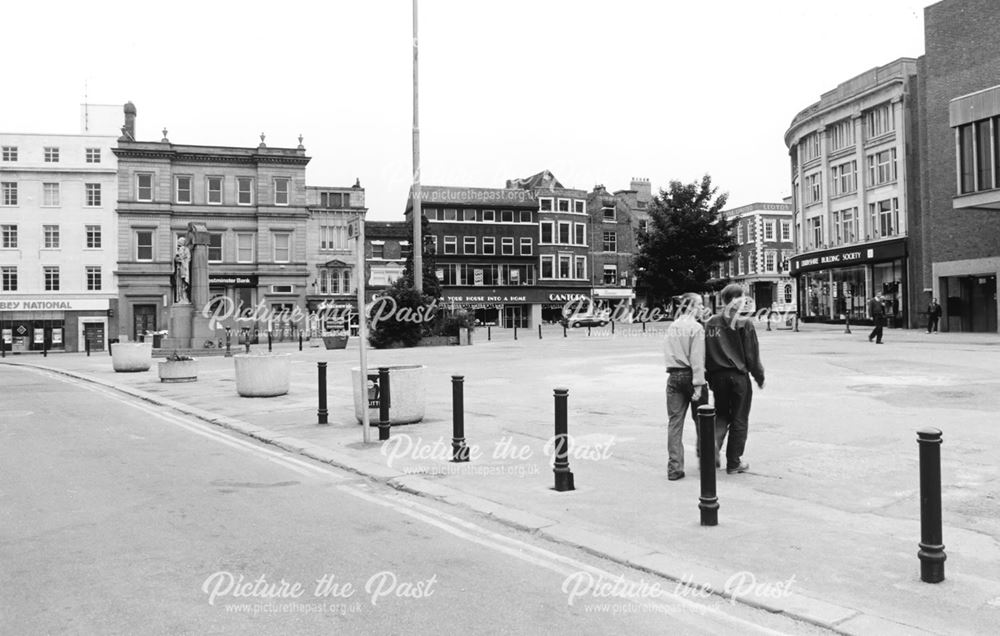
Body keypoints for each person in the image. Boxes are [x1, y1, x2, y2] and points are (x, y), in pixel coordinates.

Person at [704, 284, 765, 475]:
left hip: (717, 376)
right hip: (738, 377)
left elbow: (704, 351)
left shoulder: (711, 322)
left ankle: (710, 452)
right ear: (736, 299)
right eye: (743, 298)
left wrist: (708, 375)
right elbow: (751, 356)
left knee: (721, 415)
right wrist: (759, 377)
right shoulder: (744, 323)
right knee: (739, 418)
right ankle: (734, 462)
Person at [663, 292, 709, 481]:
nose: (702, 308)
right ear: (690, 306)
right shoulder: (696, 328)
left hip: (673, 375)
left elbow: (668, 352)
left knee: (675, 423)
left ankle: (674, 468)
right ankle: (706, 462)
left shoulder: (673, 326)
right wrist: (698, 384)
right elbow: (697, 358)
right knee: (703, 422)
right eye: (699, 305)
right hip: (691, 375)